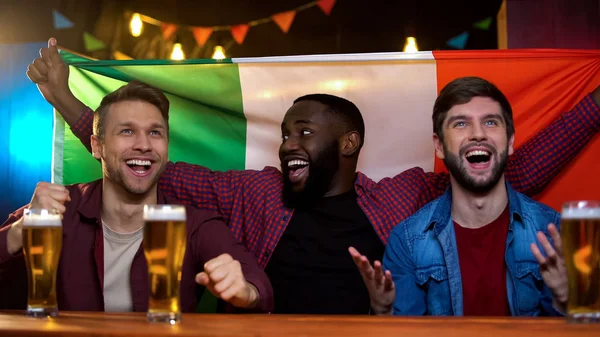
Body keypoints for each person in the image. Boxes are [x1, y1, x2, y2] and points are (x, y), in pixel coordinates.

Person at [26, 38, 600, 314]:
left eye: (304, 132)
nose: (287, 143)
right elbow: (146, 167)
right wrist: (66, 100)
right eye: (284, 132)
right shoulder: (252, 191)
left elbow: (511, 170)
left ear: (349, 143)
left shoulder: (405, 195)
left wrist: (595, 104)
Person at [0, 81, 273, 313]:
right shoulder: (58, 209)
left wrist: (245, 292)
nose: (143, 145)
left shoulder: (196, 226)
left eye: (155, 132)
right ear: (97, 146)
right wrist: (20, 230)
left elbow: (260, 288)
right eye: (127, 131)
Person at [351, 77, 567, 316]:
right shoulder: (408, 241)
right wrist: (384, 312)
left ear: (511, 141)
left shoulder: (554, 232)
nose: (478, 134)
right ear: (439, 146)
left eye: (491, 122)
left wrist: (564, 300)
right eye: (461, 124)